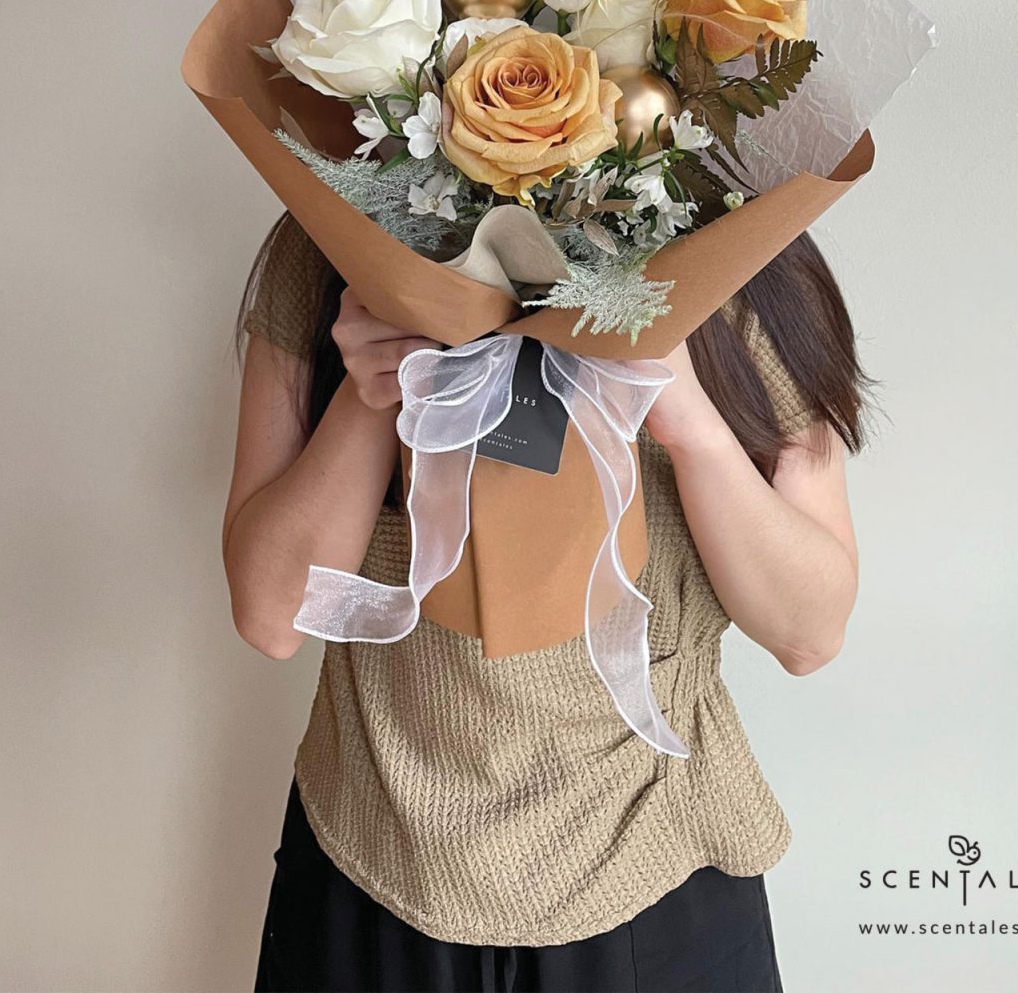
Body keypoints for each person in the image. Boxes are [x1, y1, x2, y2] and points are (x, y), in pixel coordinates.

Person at [226, 212, 865, 993]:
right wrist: (376, 388)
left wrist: (686, 412)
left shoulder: (748, 255)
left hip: (655, 859)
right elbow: (270, 616)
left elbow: (810, 633)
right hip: (374, 851)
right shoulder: (330, 243)